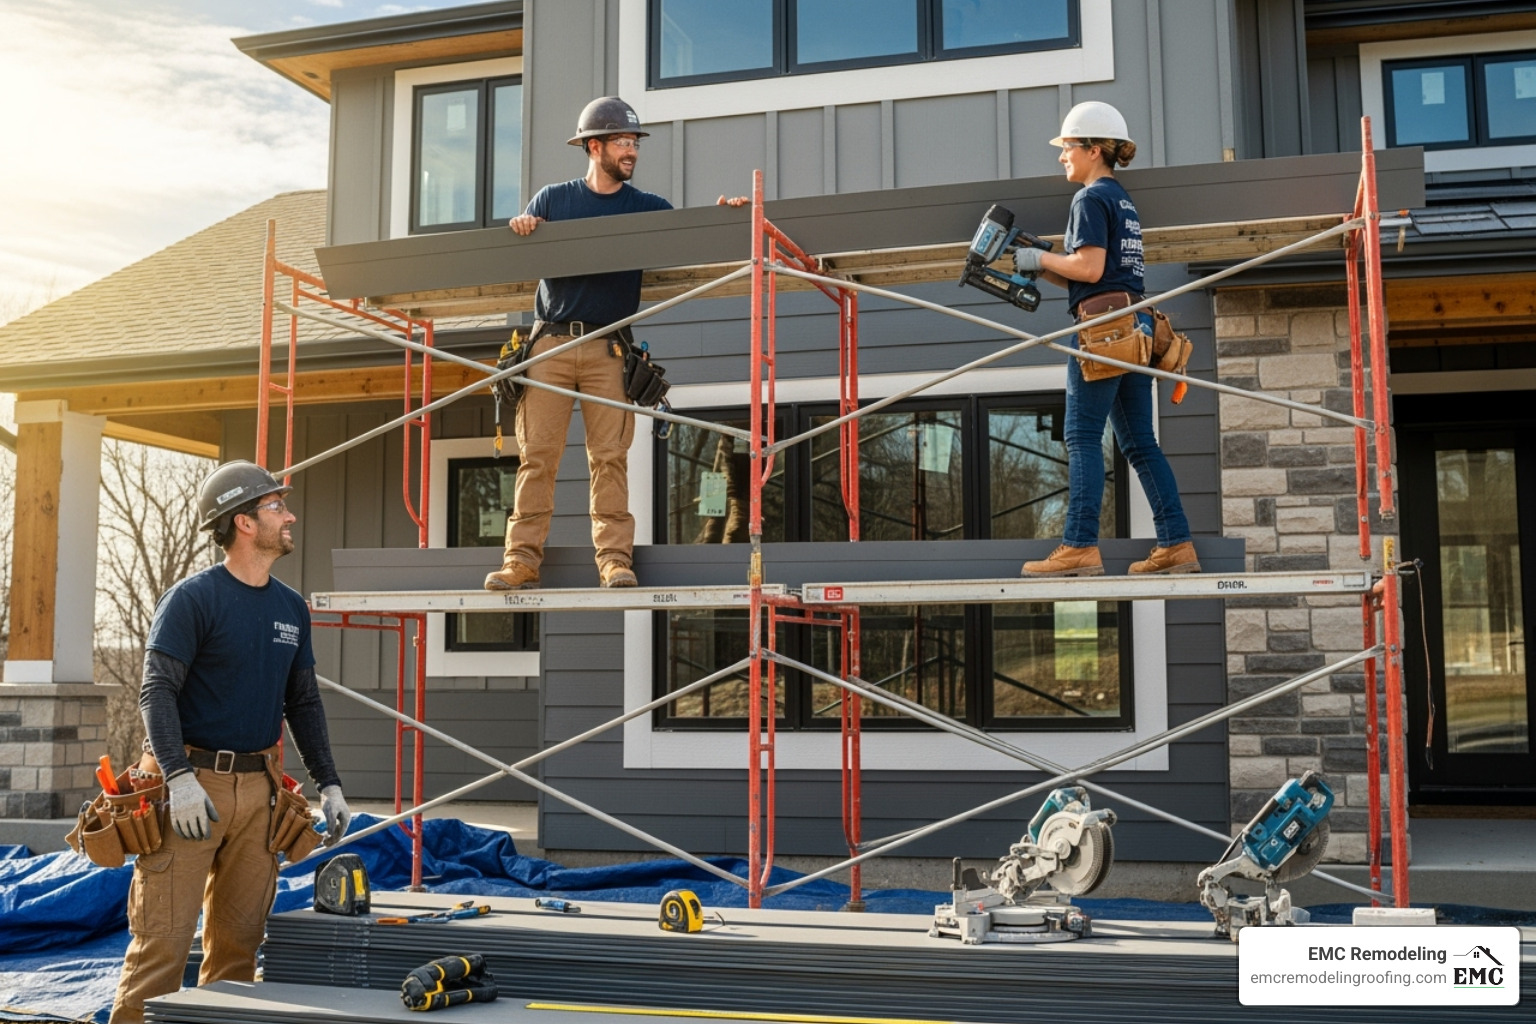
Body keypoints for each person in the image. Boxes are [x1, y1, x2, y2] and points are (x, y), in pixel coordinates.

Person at [110, 461, 349, 1024]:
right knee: (161, 951)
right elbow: (156, 692)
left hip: (259, 794)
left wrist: (330, 783)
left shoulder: (290, 607)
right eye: (275, 507)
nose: (289, 516)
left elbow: (304, 704)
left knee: (239, 952)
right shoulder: (192, 600)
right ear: (243, 522)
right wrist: (178, 776)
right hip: (190, 790)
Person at [485, 96, 745, 591]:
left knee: (609, 458)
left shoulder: (646, 208)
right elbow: (522, 244)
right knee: (536, 458)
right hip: (551, 348)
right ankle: (520, 561)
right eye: (623, 142)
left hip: (609, 351)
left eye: (634, 143)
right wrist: (523, 226)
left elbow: (693, 236)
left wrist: (726, 216)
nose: (632, 152)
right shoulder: (552, 201)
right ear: (594, 146)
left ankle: (614, 561)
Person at [1015, 102, 1200, 578]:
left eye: (1068, 147)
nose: (1062, 156)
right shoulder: (1121, 200)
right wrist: (1047, 259)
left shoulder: (1088, 199)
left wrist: (1040, 261)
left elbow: (1091, 270)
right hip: (1131, 325)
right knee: (1140, 443)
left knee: (1081, 438)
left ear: (1093, 149)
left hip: (1101, 332)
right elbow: (1092, 278)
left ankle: (1078, 546)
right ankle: (1176, 544)